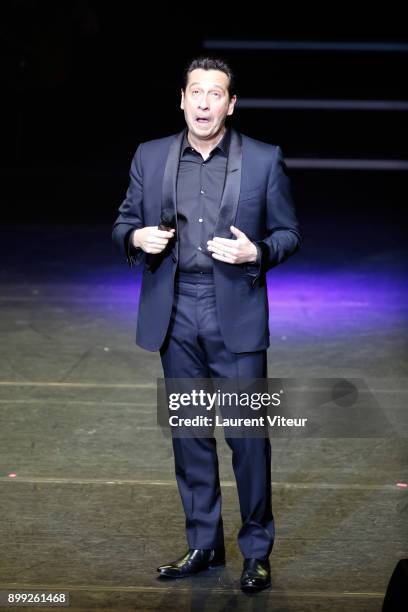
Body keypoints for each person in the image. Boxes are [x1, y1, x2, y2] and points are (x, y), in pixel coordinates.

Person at [112, 57, 301, 592]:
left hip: (234, 314)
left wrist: (256, 252)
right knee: (190, 436)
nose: (203, 103)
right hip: (176, 313)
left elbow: (289, 232)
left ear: (230, 104)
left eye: (215, 94)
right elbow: (124, 221)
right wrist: (134, 238)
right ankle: (204, 543)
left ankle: (256, 551)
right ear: (182, 98)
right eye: (195, 92)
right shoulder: (151, 157)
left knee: (247, 440)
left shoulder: (263, 160)